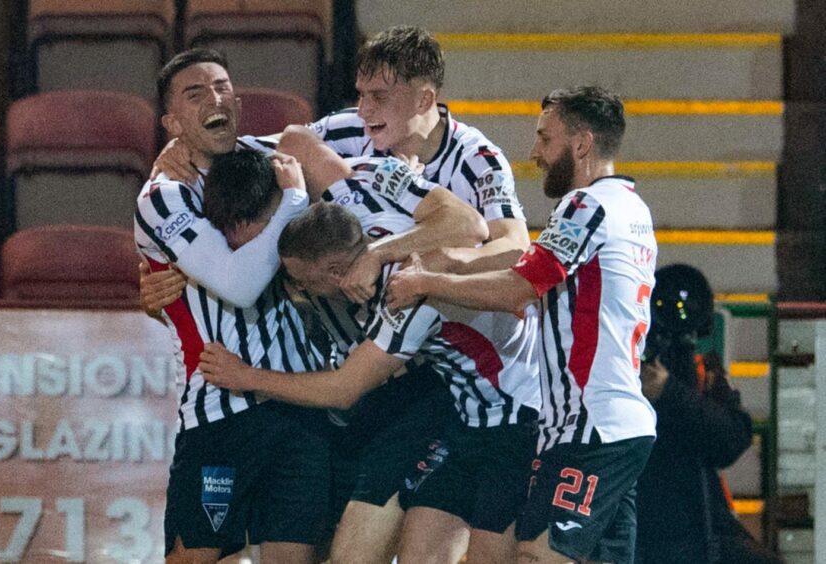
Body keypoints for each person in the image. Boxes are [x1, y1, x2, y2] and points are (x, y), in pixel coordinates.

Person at [385, 86, 658, 564]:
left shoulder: (585, 207)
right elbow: (539, 282)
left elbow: (519, 287)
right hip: (617, 424)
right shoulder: (633, 209)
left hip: (588, 425)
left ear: (581, 144)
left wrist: (426, 281)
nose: (534, 153)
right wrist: (461, 266)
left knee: (535, 557)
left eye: (544, 138)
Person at [198, 199, 542, 564]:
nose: (296, 289)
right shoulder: (383, 233)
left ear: (334, 271)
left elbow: (344, 389)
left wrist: (246, 376)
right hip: (467, 420)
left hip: (517, 421)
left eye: (301, 280)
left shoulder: (405, 290)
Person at [152, 25, 530, 304]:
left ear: (424, 100)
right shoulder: (349, 127)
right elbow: (260, 150)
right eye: (361, 95)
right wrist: (175, 148)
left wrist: (431, 266)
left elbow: (515, 247)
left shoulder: (479, 160)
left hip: (479, 351)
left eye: (379, 97)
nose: (365, 110)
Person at [134, 48, 332, 564]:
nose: (214, 98)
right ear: (172, 122)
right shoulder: (164, 196)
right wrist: (291, 203)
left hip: (299, 403)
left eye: (222, 87)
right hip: (220, 411)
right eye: (195, 94)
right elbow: (238, 286)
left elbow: (343, 141)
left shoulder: (274, 160)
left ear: (237, 103)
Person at [636, 264, 783, 564]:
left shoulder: (704, 369)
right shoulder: (622, 367)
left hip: (701, 523)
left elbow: (730, 441)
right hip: (642, 525)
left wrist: (669, 392)